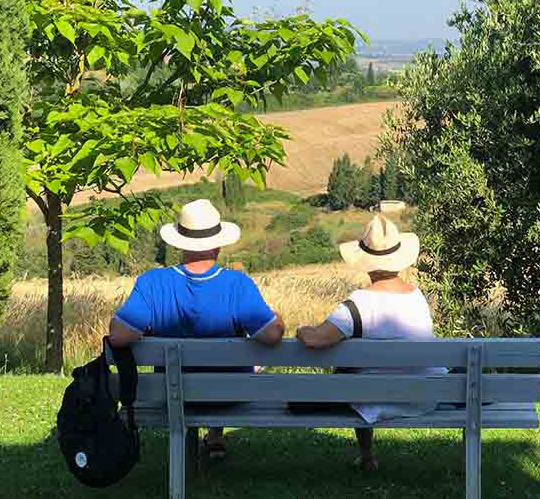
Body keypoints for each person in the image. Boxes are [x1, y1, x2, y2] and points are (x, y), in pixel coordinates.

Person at [108, 198, 285, 461]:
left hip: (169, 394)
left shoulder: (152, 284)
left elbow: (119, 336)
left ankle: (211, 438)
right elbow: (272, 335)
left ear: (179, 242)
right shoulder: (238, 285)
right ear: (218, 243)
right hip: (229, 395)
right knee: (242, 364)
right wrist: (278, 318)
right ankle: (215, 435)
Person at [296, 214, 444, 471]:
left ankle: (367, 456)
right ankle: (366, 456)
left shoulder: (358, 304)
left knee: (349, 374)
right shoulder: (417, 297)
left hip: (372, 400)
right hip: (423, 396)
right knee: (354, 373)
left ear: (366, 262)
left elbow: (315, 340)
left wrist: (301, 329)